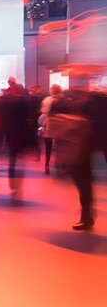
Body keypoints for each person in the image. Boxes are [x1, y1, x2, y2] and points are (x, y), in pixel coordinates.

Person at [49, 82, 106, 231]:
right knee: (83, 180)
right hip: (84, 146)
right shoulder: (75, 102)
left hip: (84, 146)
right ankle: (86, 217)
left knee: (83, 181)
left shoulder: (84, 102)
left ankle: (86, 218)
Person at [0, 80, 32, 198]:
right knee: (20, 158)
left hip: (11, 134)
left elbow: (4, 119)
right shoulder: (25, 102)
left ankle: (12, 185)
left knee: (12, 158)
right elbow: (29, 118)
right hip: (21, 134)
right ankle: (17, 182)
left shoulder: (8, 102)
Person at [40, 84, 63, 174]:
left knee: (48, 146)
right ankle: (59, 165)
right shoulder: (62, 100)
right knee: (59, 146)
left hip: (48, 124)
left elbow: (42, 111)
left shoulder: (46, 100)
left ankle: (47, 164)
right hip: (60, 124)